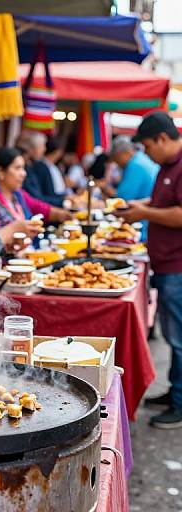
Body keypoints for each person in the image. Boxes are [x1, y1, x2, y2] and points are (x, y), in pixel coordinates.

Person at [120, 111, 182, 429]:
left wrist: (145, 211)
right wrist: (143, 205)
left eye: (147, 146)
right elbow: (163, 203)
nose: (146, 153)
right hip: (167, 262)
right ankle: (175, 393)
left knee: (178, 337)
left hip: (178, 265)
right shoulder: (168, 167)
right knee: (174, 335)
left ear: (161, 139)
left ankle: (180, 403)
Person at [0, 147, 71, 231]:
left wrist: (63, 214)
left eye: (23, 168)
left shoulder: (18, 194)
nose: (24, 173)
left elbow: (39, 207)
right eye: (18, 168)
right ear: (1, 172)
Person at [109, 135, 159, 241]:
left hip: (142, 229)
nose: (116, 163)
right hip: (148, 223)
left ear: (125, 153)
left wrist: (104, 188)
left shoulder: (135, 165)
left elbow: (122, 199)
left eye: (116, 159)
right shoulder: (141, 159)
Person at [16, 131, 65, 207]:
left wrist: (64, 199)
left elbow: (47, 194)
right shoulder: (26, 169)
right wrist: (63, 202)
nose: (44, 149)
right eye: (42, 146)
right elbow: (36, 198)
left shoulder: (38, 165)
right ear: (31, 149)